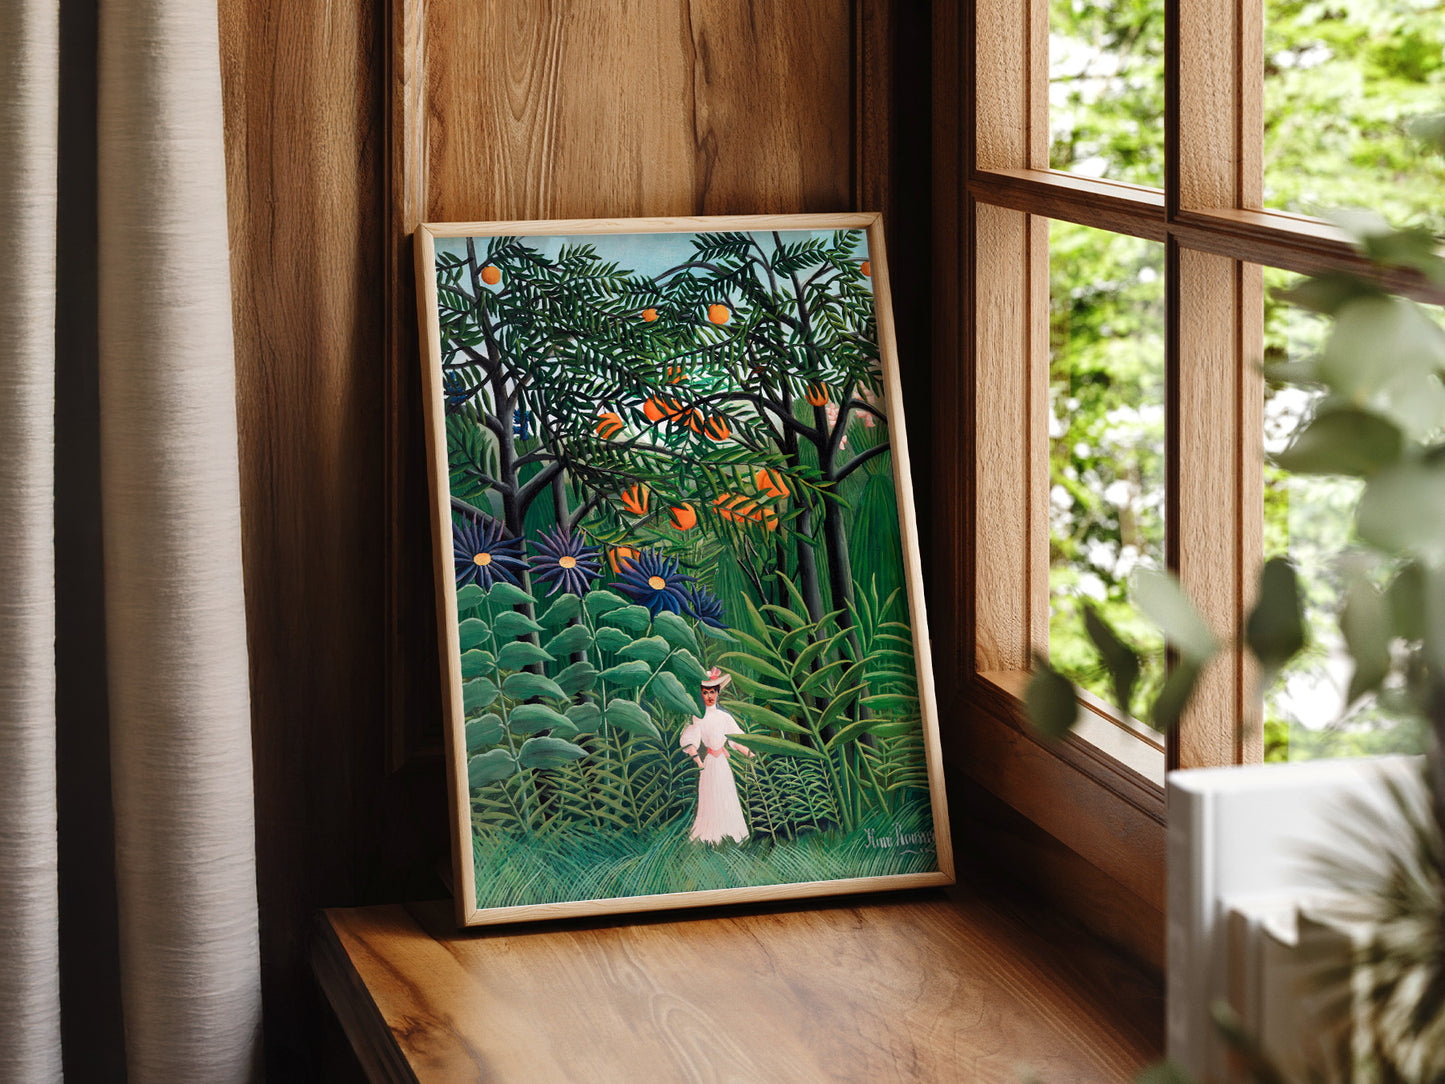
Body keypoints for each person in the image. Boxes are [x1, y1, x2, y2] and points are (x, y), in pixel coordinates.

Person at [679, 667, 755, 843]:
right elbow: (691, 742)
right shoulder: (699, 717)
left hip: (722, 763)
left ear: (718, 692)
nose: (709, 696)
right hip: (709, 764)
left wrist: (750, 754)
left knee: (726, 795)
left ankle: (733, 835)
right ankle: (710, 837)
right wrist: (699, 762)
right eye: (705, 693)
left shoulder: (724, 717)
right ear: (702, 694)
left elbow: (735, 739)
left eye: (712, 692)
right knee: (711, 797)